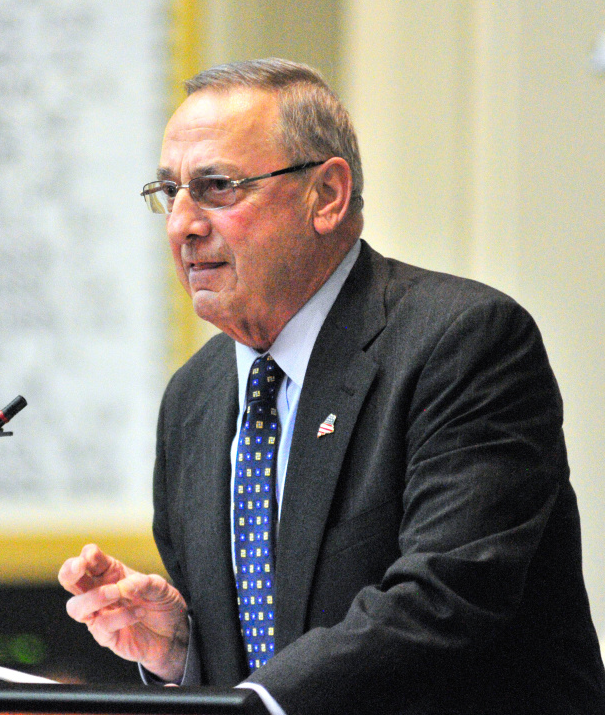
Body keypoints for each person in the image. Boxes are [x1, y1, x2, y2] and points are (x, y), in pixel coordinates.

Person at [58, 58, 605, 715]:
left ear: (327, 196)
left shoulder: (462, 343)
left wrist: (255, 703)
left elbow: (445, 600)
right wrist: (181, 653)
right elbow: (268, 655)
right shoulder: (193, 401)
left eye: (216, 187)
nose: (181, 225)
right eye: (169, 192)